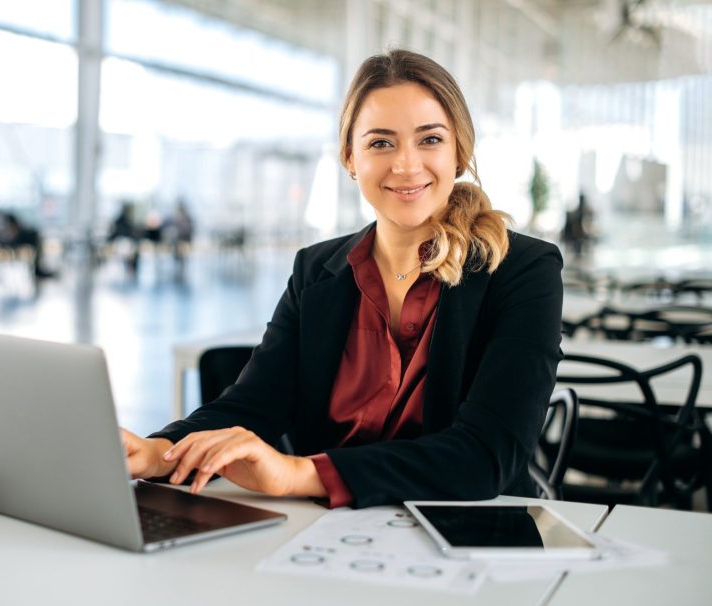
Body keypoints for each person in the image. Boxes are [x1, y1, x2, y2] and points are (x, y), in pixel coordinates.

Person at [122, 50, 563, 509]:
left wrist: (300, 473)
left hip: (476, 537)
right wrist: (157, 453)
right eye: (380, 143)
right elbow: (250, 407)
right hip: (330, 541)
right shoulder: (316, 272)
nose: (406, 165)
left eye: (429, 140)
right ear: (350, 158)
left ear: (459, 153)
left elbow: (485, 456)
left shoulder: (522, 270)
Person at [0, 210, 55, 279]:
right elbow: (9, 233)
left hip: (15, 239)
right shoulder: (5, 220)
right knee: (35, 237)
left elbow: (12, 232)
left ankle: (38, 269)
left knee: (35, 237)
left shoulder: (6, 219)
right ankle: (38, 270)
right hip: (13, 240)